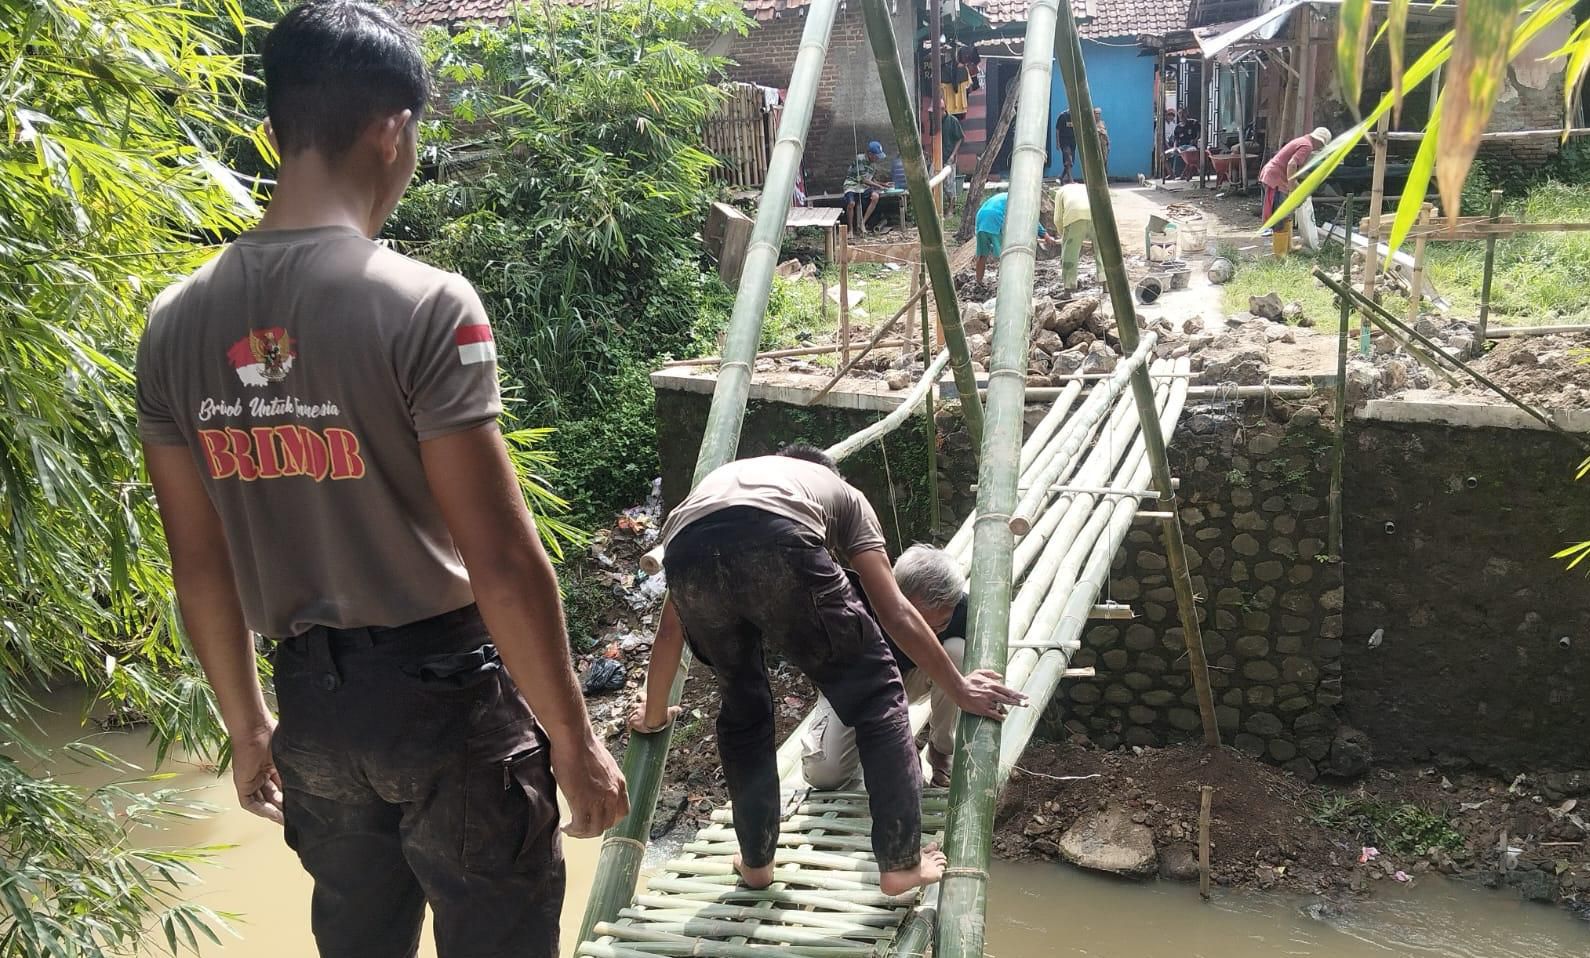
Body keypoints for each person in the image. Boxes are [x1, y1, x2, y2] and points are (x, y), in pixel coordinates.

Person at [134, 4, 626, 956]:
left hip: (311, 709)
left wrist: (247, 726)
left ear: (277, 125)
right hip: (445, 698)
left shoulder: (174, 323)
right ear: (392, 128)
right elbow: (501, 559)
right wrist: (573, 740)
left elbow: (198, 563)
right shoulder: (425, 305)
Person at [628, 446, 1025, 897]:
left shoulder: (725, 484)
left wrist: (654, 713)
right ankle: (900, 864)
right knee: (878, 695)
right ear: (830, 476)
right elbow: (895, 611)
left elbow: (670, 631)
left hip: (685, 547)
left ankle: (756, 864)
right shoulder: (842, 494)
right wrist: (961, 688)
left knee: (744, 711)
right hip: (779, 534)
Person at [802, 545, 968, 790]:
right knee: (825, 774)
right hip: (852, 689)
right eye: (917, 624)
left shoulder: (960, 608)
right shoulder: (855, 613)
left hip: (913, 678)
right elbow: (862, 688)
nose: (928, 635)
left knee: (958, 651)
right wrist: (900, 749)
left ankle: (941, 749)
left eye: (940, 625)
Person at [974, 190, 1059, 285]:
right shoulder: (1020, 200)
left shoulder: (1006, 196)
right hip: (996, 218)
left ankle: (979, 282)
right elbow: (1032, 219)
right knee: (1006, 254)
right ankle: (1008, 282)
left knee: (982, 254)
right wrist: (1046, 236)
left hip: (981, 218)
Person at [1260, 126, 1332, 226]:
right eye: (1321, 145)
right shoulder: (1307, 146)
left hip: (1271, 175)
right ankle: (1279, 235)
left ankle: (1279, 234)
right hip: (1275, 179)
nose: (1319, 148)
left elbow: (1294, 169)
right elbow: (1292, 164)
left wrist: (1297, 187)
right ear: (1318, 141)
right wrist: (1291, 187)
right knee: (1279, 217)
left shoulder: (1302, 141)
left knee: (1276, 216)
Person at [1053, 182, 1094, 291]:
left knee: (1070, 253)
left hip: (1075, 216)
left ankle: (1068, 288)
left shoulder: (1060, 191)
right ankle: (1106, 285)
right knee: (1101, 251)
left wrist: (1063, 235)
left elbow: (1057, 219)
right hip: (1095, 214)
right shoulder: (1085, 187)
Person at [843, 140, 891, 233]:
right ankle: (850, 229)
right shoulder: (860, 159)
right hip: (852, 185)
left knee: (875, 196)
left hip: (863, 187)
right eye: (876, 156)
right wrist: (879, 186)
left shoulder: (873, 165)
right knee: (851, 203)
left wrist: (883, 184)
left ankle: (862, 223)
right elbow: (863, 179)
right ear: (870, 154)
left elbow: (871, 179)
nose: (877, 158)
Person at [941, 108, 965, 209]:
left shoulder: (952, 120)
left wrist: (953, 155)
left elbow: (960, 138)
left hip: (949, 157)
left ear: (943, 110)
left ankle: (951, 208)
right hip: (938, 157)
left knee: (949, 184)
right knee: (934, 180)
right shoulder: (935, 122)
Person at [1054, 108, 1076, 183]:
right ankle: (1071, 180)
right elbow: (1057, 130)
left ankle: (1061, 177)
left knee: (1072, 161)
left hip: (1072, 141)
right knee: (1068, 160)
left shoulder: (1075, 117)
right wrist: (1057, 143)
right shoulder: (1063, 116)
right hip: (1064, 141)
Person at [1093, 107, 1110, 172]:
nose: (1097, 115)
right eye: (1096, 113)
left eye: (1099, 114)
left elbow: (1106, 133)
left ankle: (1105, 174)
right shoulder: (1092, 124)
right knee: (1097, 160)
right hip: (1096, 144)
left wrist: (1108, 144)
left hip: (1103, 143)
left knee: (1105, 159)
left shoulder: (1102, 123)